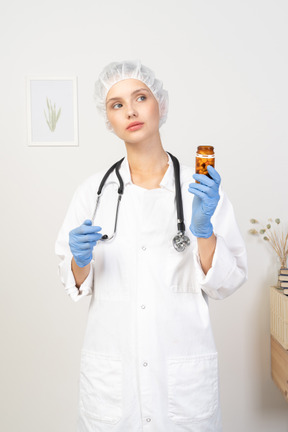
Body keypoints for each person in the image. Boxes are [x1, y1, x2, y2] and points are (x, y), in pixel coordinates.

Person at [55, 60, 248, 432]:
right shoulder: (93, 194)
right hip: (114, 382)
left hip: (181, 382)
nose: (130, 110)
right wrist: (79, 260)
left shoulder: (201, 189)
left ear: (159, 103)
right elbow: (75, 283)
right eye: (116, 104)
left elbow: (227, 282)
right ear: (108, 119)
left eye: (140, 97)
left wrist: (204, 230)